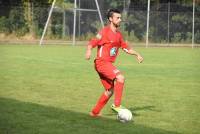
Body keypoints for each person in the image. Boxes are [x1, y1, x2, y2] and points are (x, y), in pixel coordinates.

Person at [85, 9, 143, 117]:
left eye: (120, 18)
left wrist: (137, 54)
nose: (120, 20)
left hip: (106, 64)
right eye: (118, 18)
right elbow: (93, 42)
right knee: (120, 78)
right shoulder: (104, 32)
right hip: (101, 63)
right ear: (110, 19)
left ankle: (94, 112)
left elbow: (126, 48)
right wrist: (89, 50)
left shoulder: (119, 35)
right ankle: (117, 105)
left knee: (110, 90)